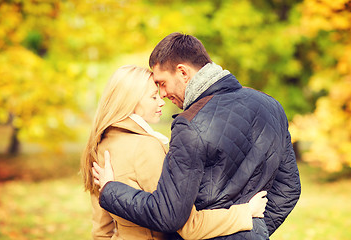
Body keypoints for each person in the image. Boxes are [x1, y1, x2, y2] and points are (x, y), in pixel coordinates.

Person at [95, 33, 302, 240]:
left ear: (183, 72)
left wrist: (110, 191)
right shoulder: (272, 106)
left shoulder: (191, 123)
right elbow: (288, 189)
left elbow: (170, 215)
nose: (163, 95)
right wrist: (254, 230)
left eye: (163, 83)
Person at [81, 65, 268, 240]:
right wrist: (245, 212)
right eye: (153, 97)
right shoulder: (145, 147)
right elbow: (185, 225)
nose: (161, 101)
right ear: (130, 102)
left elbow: (101, 231)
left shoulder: (100, 146)